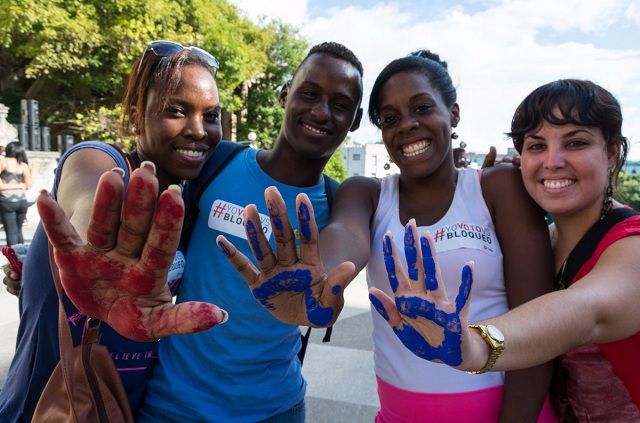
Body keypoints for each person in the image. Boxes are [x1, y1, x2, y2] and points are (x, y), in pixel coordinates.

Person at [220, 51, 557, 422]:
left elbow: (539, 327)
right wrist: (317, 279)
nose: (407, 125)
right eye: (391, 118)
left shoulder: (497, 187)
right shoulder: (366, 193)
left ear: (453, 114)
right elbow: (345, 234)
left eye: (422, 108)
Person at [35, 42, 364, 422]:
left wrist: (323, 289)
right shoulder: (215, 163)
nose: (321, 112)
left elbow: (346, 245)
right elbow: (115, 207)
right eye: (309, 94)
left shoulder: (336, 200)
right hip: (172, 406)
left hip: (277, 408)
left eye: (340, 105)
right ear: (284, 94)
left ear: (355, 120)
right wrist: (48, 260)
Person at [370, 79, 640, 421]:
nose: (552, 162)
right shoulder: (549, 239)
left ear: (612, 153)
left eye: (576, 142)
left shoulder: (631, 244)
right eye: (537, 146)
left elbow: (584, 312)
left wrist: (476, 345)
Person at [0, 40, 227, 422]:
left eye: (211, 115)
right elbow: (88, 194)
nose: (198, 130)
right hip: (48, 405)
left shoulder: (186, 200)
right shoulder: (98, 158)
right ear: (138, 116)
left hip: (129, 407)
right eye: (177, 111)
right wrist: (95, 235)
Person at [0, 141, 32, 246]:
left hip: (7, 201)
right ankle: (22, 259)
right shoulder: (23, 165)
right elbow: (28, 186)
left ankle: (12, 259)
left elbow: (1, 187)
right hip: (22, 201)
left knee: (11, 232)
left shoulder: (3, 162)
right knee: (19, 231)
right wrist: (20, 185)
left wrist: (8, 186)